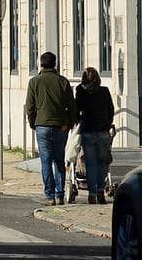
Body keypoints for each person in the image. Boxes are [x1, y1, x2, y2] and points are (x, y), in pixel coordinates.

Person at [25, 51, 78, 206]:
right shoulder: (63, 82)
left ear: (41, 64)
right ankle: (59, 194)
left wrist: (33, 122)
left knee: (46, 161)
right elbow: (71, 105)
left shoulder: (34, 82)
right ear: (55, 64)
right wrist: (70, 123)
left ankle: (49, 196)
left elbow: (30, 106)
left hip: (42, 125)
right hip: (61, 125)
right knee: (59, 160)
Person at [76, 67, 115, 204]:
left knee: (91, 164)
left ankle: (92, 194)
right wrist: (107, 123)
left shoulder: (81, 91)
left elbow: (77, 109)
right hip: (103, 131)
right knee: (102, 164)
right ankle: (100, 192)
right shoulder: (104, 91)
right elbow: (111, 110)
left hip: (87, 131)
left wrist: (78, 123)